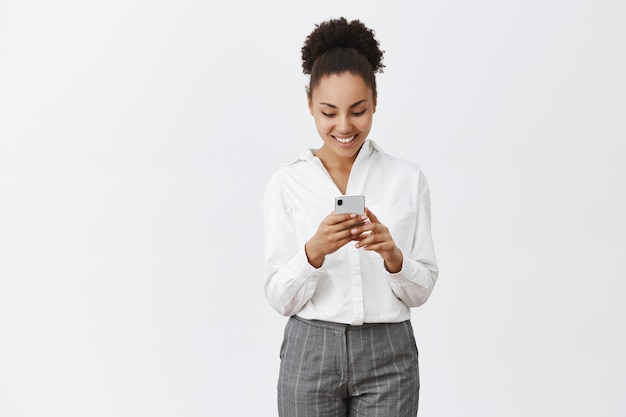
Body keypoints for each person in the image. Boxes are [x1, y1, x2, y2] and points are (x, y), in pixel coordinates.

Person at [263, 16, 438, 417]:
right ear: (310, 105)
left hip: (388, 353)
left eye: (358, 111)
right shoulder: (286, 184)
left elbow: (422, 290)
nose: (343, 126)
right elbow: (279, 297)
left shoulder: (407, 180)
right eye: (329, 112)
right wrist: (313, 252)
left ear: (375, 102)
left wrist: (393, 256)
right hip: (310, 350)